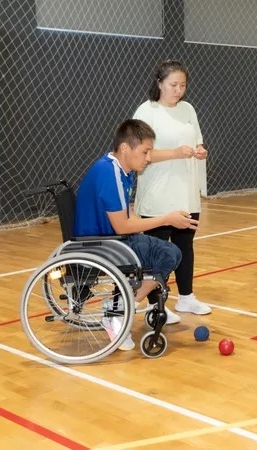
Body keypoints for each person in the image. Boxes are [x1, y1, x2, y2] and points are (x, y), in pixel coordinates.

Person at [73, 119, 199, 350]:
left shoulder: (123, 170)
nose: (149, 158)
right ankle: (117, 310)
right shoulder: (108, 173)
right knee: (167, 255)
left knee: (170, 251)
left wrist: (147, 233)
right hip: (100, 245)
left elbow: (128, 213)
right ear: (125, 148)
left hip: (113, 240)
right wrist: (166, 219)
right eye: (145, 151)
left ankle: (122, 305)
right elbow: (122, 226)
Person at [132, 59, 212, 320]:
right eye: (173, 85)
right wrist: (175, 153)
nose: (178, 90)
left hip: (185, 192)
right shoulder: (147, 111)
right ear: (159, 83)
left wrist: (200, 151)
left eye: (183, 85)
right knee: (157, 251)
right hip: (158, 195)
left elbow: (197, 140)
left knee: (185, 245)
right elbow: (140, 154)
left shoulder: (188, 109)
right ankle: (156, 305)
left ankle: (186, 298)